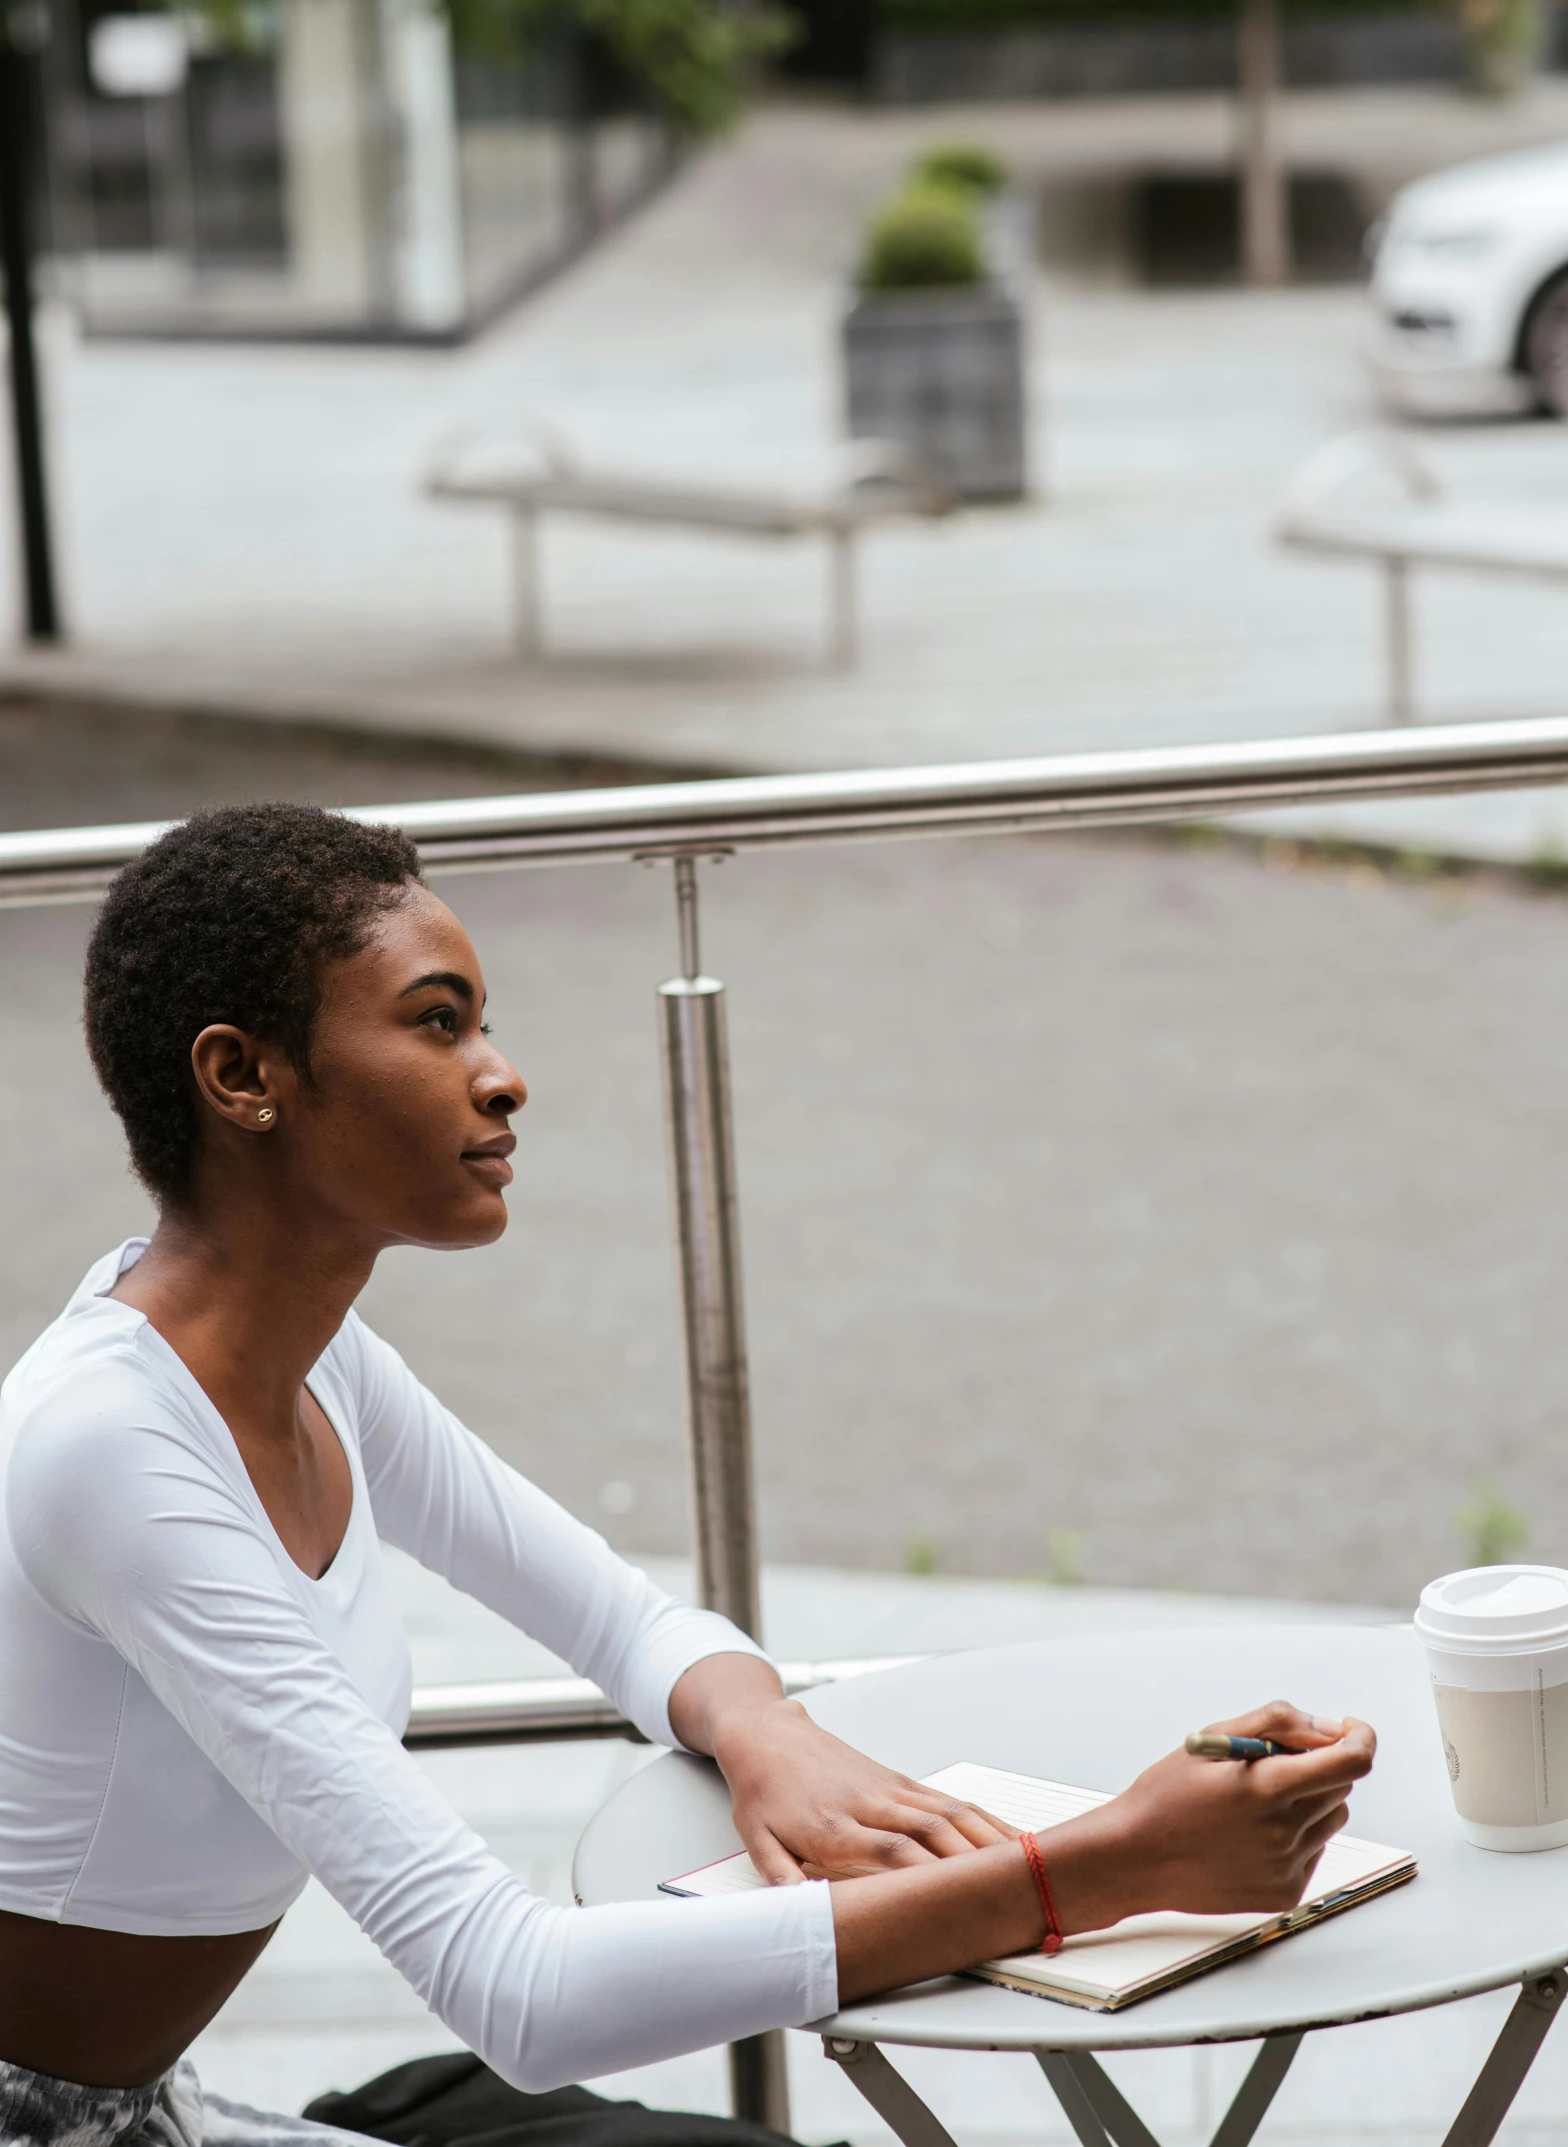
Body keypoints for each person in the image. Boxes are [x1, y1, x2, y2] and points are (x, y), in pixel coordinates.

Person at [0, 804, 1375, 2147]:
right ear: (245, 1078)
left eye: (481, 1021)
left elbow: (626, 1621)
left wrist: (771, 1736)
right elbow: (519, 1992)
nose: (502, 1073)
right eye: (437, 1021)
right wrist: (1106, 1868)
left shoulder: (310, 1360)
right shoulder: (113, 1449)